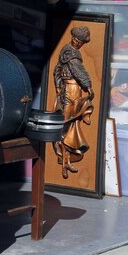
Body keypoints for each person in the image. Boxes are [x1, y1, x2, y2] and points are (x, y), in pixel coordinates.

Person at [51, 26, 95, 179]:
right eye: (77, 40)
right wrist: (88, 85)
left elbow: (57, 69)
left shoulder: (66, 50)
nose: (78, 43)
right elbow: (77, 70)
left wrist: (58, 86)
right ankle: (65, 161)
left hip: (69, 89)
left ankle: (66, 160)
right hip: (70, 89)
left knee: (69, 123)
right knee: (67, 122)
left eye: (81, 42)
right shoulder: (71, 53)